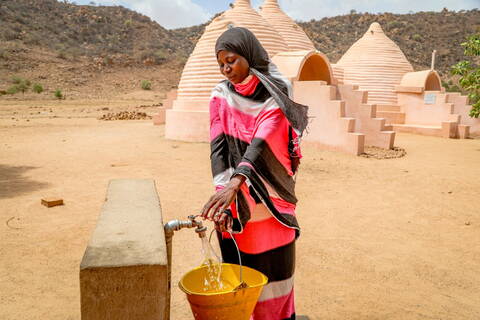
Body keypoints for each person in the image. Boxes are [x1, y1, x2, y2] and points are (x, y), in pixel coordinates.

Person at [200, 27, 308, 320]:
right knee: (240, 274)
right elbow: (218, 145)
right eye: (221, 63)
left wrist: (236, 183)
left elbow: (262, 141)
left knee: (276, 273)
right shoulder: (220, 93)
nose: (226, 69)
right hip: (237, 200)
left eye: (232, 60)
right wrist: (224, 189)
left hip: (271, 199)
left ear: (248, 55)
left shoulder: (277, 89)